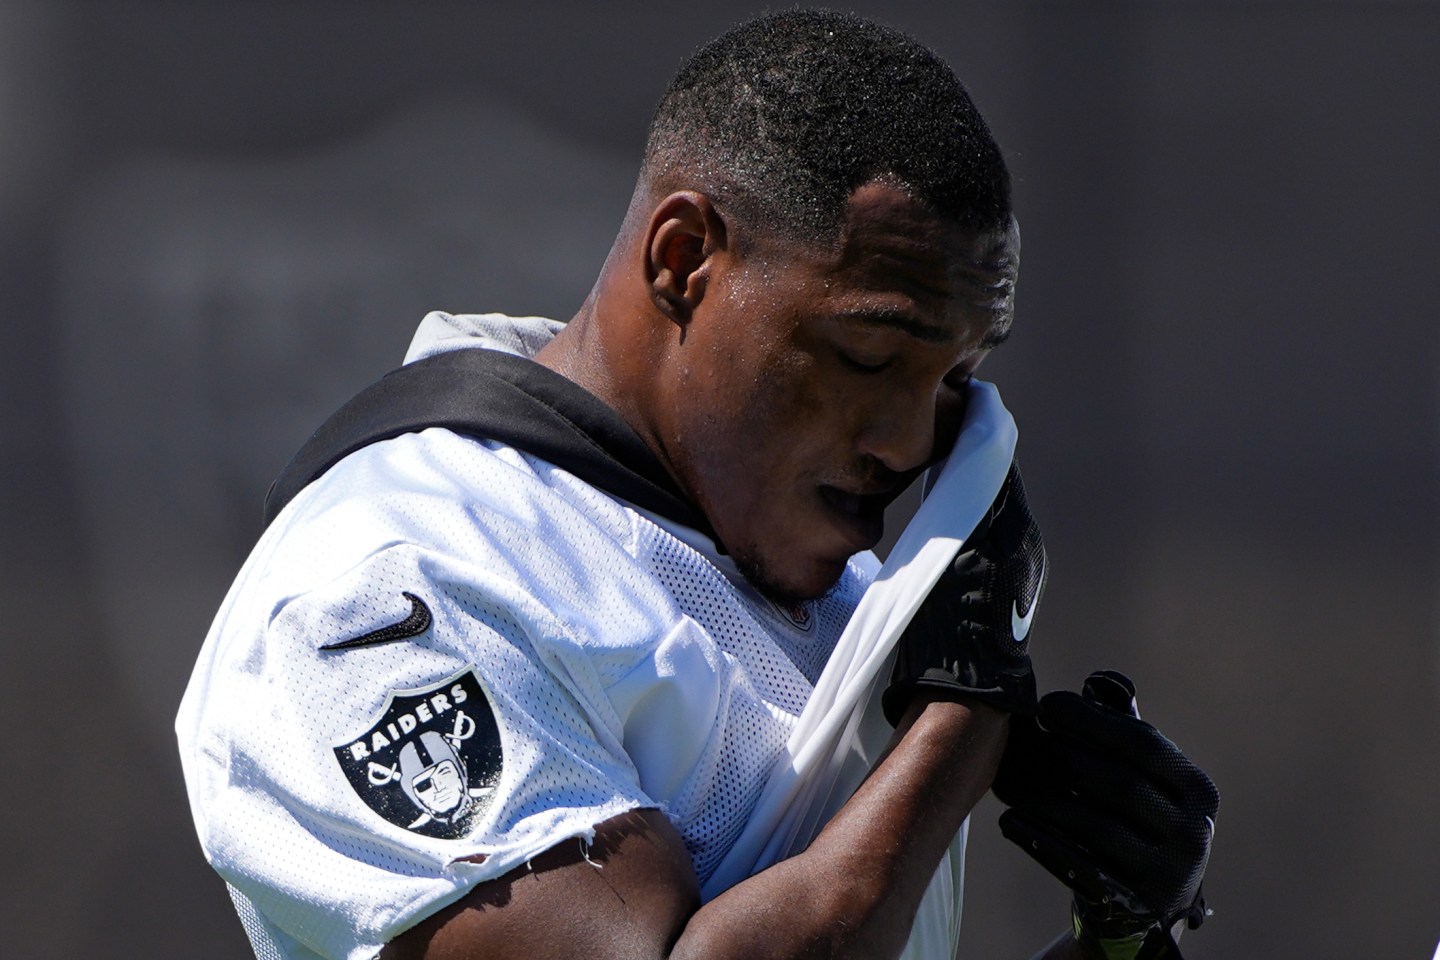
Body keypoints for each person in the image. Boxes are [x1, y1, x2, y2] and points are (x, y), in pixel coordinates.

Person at [176, 10, 1217, 960]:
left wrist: (1117, 943)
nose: (909, 443)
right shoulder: (390, 583)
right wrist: (959, 722)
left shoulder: (832, 592)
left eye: (955, 380)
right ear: (683, 260)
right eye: (866, 356)